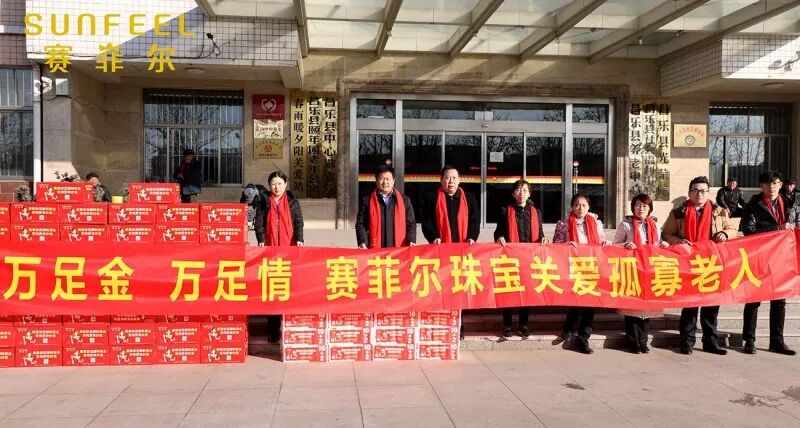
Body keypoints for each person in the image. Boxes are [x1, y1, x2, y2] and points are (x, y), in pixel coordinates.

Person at [662, 176, 737, 355]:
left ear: (708, 193)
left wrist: (725, 234)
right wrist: (679, 241)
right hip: (688, 264)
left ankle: (711, 342)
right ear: (689, 193)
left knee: (711, 306)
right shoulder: (678, 212)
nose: (699, 194)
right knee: (690, 306)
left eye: (703, 191)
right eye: (695, 190)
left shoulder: (719, 211)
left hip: (712, 263)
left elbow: (733, 229)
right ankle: (687, 342)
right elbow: (666, 234)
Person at [740, 170, 797, 355]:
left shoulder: (789, 203)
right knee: (754, 299)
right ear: (761, 186)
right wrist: (776, 228)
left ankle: (777, 341)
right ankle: (749, 340)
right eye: (767, 183)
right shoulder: (753, 204)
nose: (771, 187)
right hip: (759, 257)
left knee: (780, 301)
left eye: (775, 183)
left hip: (782, 257)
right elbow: (748, 229)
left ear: (780, 185)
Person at [422, 165, 480, 339]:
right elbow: (427, 222)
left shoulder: (469, 198)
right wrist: (434, 237)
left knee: (460, 290)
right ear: (441, 180)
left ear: (459, 180)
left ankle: (459, 325)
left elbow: (475, 221)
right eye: (447, 178)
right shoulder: (432, 198)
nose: (451, 181)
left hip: (462, 253)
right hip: (441, 253)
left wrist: (472, 237)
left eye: (454, 178)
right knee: (442, 289)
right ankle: (443, 323)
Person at [553, 193, 612, 354]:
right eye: (577, 205)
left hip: (592, 266)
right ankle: (569, 328)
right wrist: (566, 245)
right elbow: (556, 244)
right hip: (573, 266)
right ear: (572, 206)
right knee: (577, 300)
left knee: (590, 303)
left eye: (584, 205)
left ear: (589, 207)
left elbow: (600, 240)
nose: (580, 208)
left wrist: (605, 243)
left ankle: (584, 337)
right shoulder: (563, 223)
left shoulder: (596, 223)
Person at [612, 193, 669, 354]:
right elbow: (614, 245)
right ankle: (633, 342)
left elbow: (656, 243)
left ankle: (643, 342)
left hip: (649, 270)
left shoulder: (655, 225)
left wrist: (663, 244)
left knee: (646, 310)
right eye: (637, 205)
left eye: (644, 205)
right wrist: (625, 244)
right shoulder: (626, 225)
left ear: (650, 208)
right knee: (632, 309)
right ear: (633, 207)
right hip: (632, 270)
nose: (641, 208)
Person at [253, 171, 304, 342]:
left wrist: (299, 239)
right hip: (270, 251)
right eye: (273, 184)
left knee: (288, 289)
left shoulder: (292, 202)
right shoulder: (264, 201)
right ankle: (273, 331)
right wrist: (261, 240)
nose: (276, 187)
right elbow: (259, 224)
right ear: (269, 186)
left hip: (289, 251)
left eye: (280, 184)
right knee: (273, 290)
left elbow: (298, 222)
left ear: (285, 184)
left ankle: (288, 328)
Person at [494, 179, 547, 338]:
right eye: (518, 190)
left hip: (529, 258)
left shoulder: (536, 212)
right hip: (510, 257)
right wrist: (499, 237)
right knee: (509, 291)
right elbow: (498, 232)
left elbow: (540, 233)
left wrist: (543, 239)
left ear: (529, 194)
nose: (521, 193)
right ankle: (507, 325)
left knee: (527, 291)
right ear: (513, 193)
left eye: (525, 190)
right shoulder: (505, 210)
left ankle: (523, 325)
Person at [356, 165, 416, 249]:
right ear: (376, 181)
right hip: (375, 250)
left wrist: (411, 240)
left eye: (388, 179)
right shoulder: (367, 201)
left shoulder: (405, 200)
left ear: (393, 181)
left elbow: (411, 223)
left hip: (398, 250)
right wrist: (363, 242)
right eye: (381, 179)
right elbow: (360, 224)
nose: (385, 182)